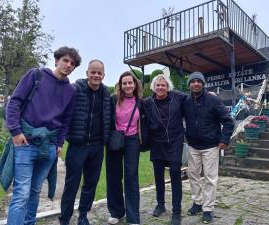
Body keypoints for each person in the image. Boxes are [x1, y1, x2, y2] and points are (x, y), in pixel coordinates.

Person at [5, 46, 81, 225]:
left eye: (72, 63)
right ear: (56, 60)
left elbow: (66, 120)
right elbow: (14, 102)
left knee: (35, 191)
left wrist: (59, 144)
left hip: (49, 146)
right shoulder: (36, 75)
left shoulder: (71, 91)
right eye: (65, 60)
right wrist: (15, 132)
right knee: (22, 193)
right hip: (26, 142)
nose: (68, 65)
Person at [59, 59, 111, 225]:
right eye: (93, 72)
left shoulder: (106, 93)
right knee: (71, 184)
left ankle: (83, 215)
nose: (96, 75)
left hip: (96, 146)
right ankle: (65, 218)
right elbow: (63, 113)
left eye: (99, 73)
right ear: (87, 73)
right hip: (77, 145)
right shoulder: (75, 89)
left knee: (90, 184)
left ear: (103, 75)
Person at [183, 71, 234, 224]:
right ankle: (197, 202)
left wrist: (224, 139)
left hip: (211, 146)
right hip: (192, 146)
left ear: (203, 84)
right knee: (193, 175)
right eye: (193, 81)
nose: (196, 84)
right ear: (189, 85)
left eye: (199, 81)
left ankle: (208, 208)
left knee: (210, 178)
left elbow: (229, 121)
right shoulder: (185, 101)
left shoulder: (213, 100)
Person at [143, 74, 186, 225]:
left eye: (163, 85)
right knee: (159, 176)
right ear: (153, 88)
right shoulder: (148, 102)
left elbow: (194, 98)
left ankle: (176, 211)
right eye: (157, 85)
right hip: (157, 143)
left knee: (175, 174)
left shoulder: (178, 97)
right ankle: (160, 205)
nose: (160, 88)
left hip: (174, 142)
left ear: (168, 87)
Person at [106, 71, 144, 225]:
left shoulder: (141, 102)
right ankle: (117, 212)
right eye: (124, 83)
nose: (128, 85)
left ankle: (133, 217)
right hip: (115, 139)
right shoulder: (113, 100)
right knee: (113, 176)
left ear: (135, 85)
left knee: (131, 178)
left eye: (130, 82)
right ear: (120, 86)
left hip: (132, 141)